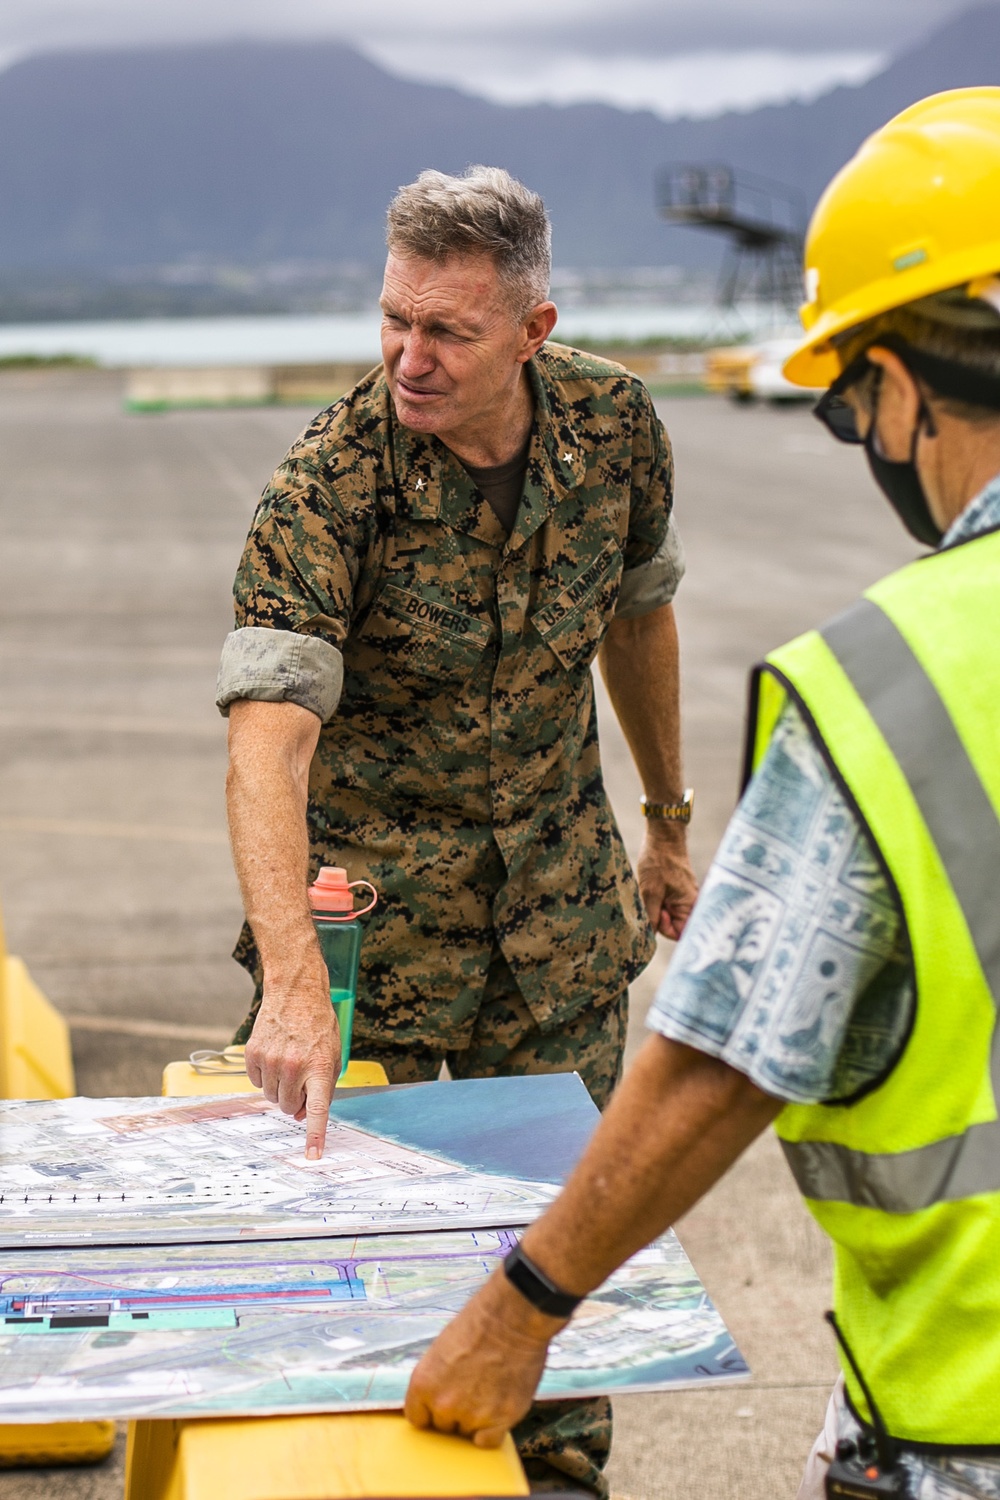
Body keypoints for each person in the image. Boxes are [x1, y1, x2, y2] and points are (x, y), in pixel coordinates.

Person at [404, 90, 1000, 1500]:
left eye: (852, 398)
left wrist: (518, 1310)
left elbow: (728, 1049)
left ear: (904, 386)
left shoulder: (903, 680)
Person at [217, 164, 696, 1496]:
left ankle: (556, 1476)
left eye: (448, 332)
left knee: (558, 1239)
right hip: (375, 945)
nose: (408, 358)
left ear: (532, 334)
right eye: (393, 320)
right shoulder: (328, 483)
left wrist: (665, 823)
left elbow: (639, 615)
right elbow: (269, 733)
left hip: (555, 913)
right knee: (352, 1264)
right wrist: (298, 990)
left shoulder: (616, 427)